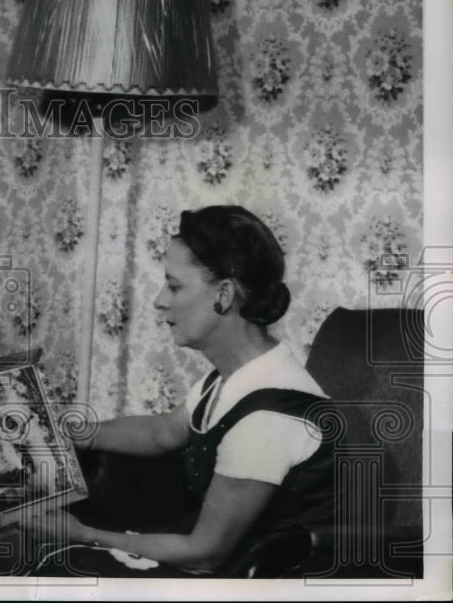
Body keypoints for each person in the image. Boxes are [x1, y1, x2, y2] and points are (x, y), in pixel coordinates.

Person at [27, 205, 335, 577]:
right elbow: (162, 432)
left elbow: (204, 553)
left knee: (62, 572)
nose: (159, 300)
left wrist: (82, 534)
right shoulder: (237, 377)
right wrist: (66, 431)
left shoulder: (268, 416)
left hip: (255, 582)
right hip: (217, 561)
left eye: (174, 285)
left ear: (223, 294)